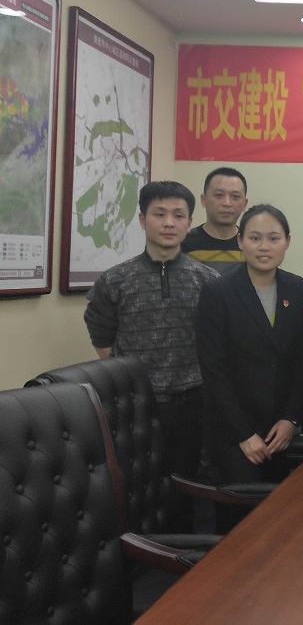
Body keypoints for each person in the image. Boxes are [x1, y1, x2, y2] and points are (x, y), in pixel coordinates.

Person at [84, 180, 218, 531]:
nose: (169, 223)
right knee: (134, 486)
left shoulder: (208, 280)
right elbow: (102, 337)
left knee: (188, 487)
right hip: (135, 404)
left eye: (178, 215)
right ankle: (139, 555)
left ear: (189, 223)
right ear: (143, 220)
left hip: (192, 403)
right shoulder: (115, 280)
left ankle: (182, 554)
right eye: (159, 214)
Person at [195, 204, 303, 531]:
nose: (264, 247)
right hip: (235, 433)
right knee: (240, 526)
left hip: (280, 431)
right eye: (255, 238)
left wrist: (291, 419)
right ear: (240, 241)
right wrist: (243, 434)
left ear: (287, 241)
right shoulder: (218, 292)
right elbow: (213, 370)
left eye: (274, 238)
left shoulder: (296, 288)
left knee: (278, 522)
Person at [181, 167, 249, 275]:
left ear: (245, 204)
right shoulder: (183, 242)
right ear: (203, 200)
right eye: (219, 195)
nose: (227, 203)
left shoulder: (251, 245)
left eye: (235, 196)